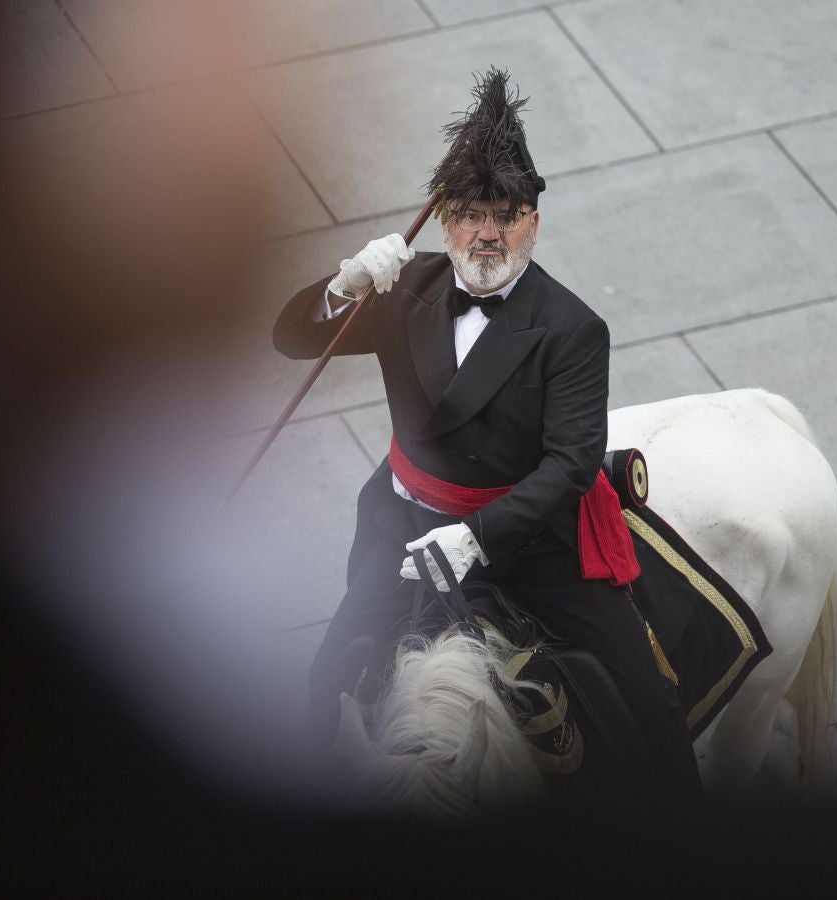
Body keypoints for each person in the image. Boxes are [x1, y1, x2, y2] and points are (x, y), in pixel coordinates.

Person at [273, 68, 701, 810]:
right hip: (405, 527)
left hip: (526, 541)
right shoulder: (403, 288)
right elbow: (291, 340)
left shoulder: (570, 328)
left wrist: (475, 538)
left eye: (506, 215)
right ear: (444, 221)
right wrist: (343, 286)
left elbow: (569, 464)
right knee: (325, 676)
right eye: (470, 214)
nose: (487, 234)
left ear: (533, 222)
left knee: (643, 701)